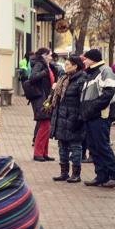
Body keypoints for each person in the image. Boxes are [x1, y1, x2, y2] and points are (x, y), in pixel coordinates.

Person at [79, 49, 115, 188]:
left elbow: (108, 94)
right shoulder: (91, 72)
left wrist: (92, 108)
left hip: (100, 115)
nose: (84, 61)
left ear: (93, 59)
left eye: (86, 59)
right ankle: (101, 176)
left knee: (102, 146)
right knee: (94, 147)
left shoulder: (105, 71)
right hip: (91, 115)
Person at [48, 54, 85, 183]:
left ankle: (76, 174)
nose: (65, 66)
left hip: (73, 118)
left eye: (68, 64)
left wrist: (79, 118)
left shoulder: (81, 80)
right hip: (60, 117)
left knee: (75, 146)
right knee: (62, 146)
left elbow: (83, 102)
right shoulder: (63, 78)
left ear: (75, 66)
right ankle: (64, 173)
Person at [23, 47, 55, 162]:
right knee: (44, 125)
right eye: (49, 55)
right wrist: (44, 72)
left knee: (46, 125)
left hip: (45, 98)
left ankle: (44, 153)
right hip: (40, 98)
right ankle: (38, 153)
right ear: (44, 55)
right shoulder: (39, 64)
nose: (51, 57)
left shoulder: (45, 65)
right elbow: (32, 77)